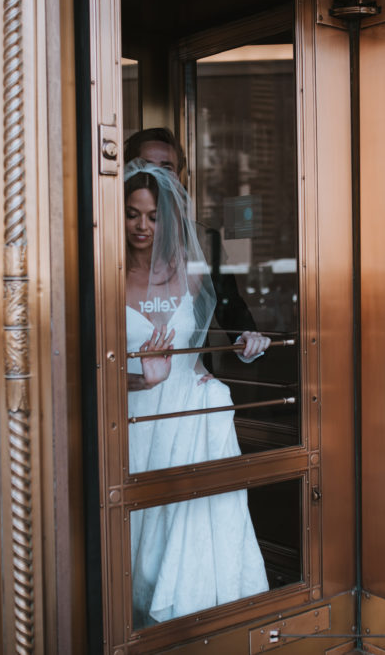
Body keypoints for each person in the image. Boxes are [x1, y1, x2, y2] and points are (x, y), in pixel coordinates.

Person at [123, 158, 270, 626]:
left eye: (152, 215)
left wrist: (242, 348)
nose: (143, 225)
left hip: (190, 412)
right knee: (140, 536)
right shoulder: (104, 279)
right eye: (132, 213)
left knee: (188, 527)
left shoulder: (191, 271)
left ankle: (196, 625)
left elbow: (205, 338)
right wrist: (138, 379)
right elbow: (86, 368)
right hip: (131, 417)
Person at [124, 128, 259, 341]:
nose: (156, 174)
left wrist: (247, 339)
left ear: (178, 175)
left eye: (166, 167)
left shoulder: (205, 240)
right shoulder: (109, 236)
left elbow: (230, 306)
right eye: (146, 165)